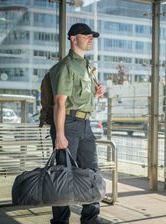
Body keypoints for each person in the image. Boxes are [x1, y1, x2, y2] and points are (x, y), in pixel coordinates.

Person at [49, 23, 104, 224]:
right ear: (73, 38)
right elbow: (60, 103)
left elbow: (81, 97)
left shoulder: (86, 66)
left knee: (91, 172)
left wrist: (97, 93)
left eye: (92, 36)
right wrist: (60, 134)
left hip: (85, 123)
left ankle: (91, 219)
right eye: (86, 35)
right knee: (63, 174)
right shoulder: (65, 67)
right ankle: (61, 221)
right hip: (68, 124)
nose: (90, 39)